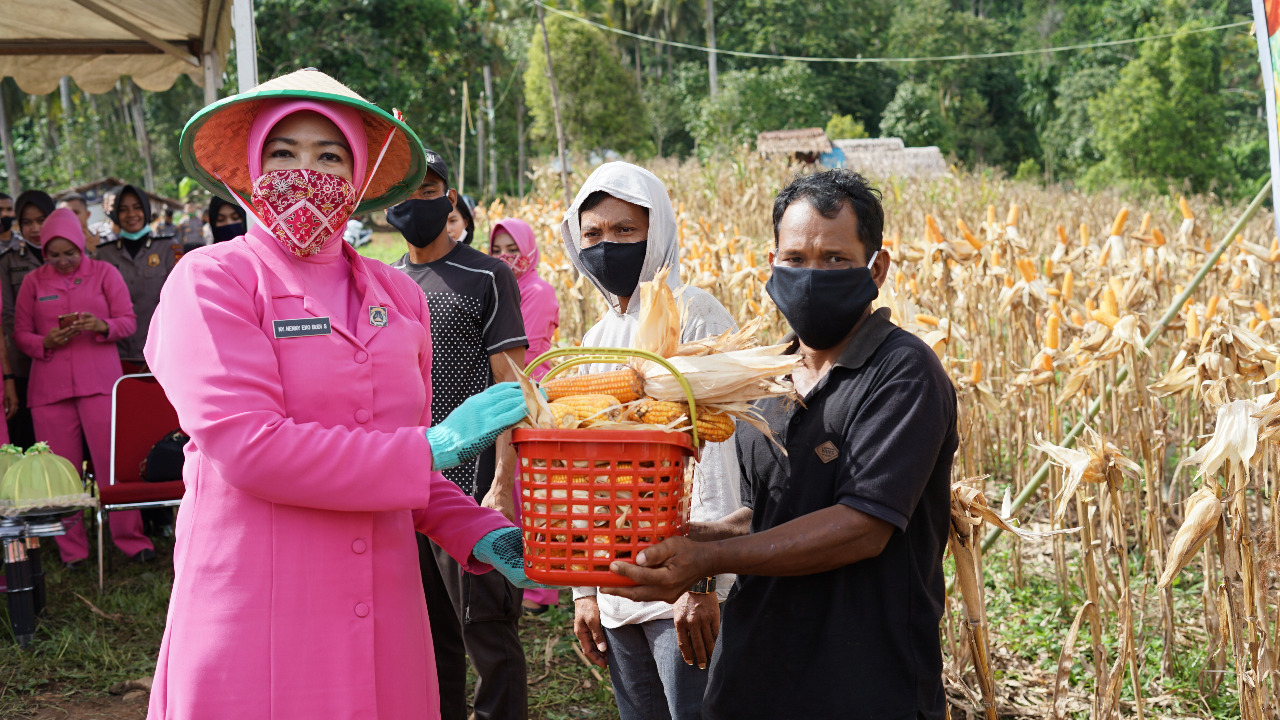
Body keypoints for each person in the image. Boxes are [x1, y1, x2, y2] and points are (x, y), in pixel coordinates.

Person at [145, 68, 542, 720]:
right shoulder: (212, 281)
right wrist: (436, 445)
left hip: (384, 612)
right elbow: (248, 447)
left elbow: (412, 467)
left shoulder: (400, 296)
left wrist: (479, 530)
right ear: (250, 167)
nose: (307, 172)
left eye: (329, 156)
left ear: (359, 177)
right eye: (283, 153)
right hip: (256, 614)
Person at [607, 170, 959, 720]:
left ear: (878, 269)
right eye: (795, 259)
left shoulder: (904, 373)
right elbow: (771, 513)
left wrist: (709, 555)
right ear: (770, 264)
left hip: (865, 686)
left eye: (835, 259)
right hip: (753, 677)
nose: (811, 275)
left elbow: (862, 526)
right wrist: (690, 536)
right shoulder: (765, 378)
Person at [563, 162, 740, 720]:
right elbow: (582, 473)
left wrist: (703, 577)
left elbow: (716, 455)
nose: (606, 245)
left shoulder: (694, 313)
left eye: (624, 232)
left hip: (678, 586)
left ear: (656, 231)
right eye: (592, 234)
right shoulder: (594, 338)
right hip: (617, 583)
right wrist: (585, 590)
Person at [385, 149, 530, 720]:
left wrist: (502, 484)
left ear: (450, 199)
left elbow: (513, 389)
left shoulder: (486, 275)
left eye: (430, 190)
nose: (418, 202)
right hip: (403, 483)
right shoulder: (385, 282)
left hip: (469, 490)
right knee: (424, 633)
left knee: (487, 633)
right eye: (405, 191)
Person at [13, 208, 156, 567]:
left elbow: (128, 322)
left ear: (81, 245)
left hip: (100, 386)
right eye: (54, 255)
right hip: (50, 391)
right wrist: (45, 341)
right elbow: (20, 335)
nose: (62, 261)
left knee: (114, 467)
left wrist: (103, 325)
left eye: (70, 253)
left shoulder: (105, 273)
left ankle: (130, 539)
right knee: (62, 473)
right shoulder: (33, 282)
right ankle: (72, 550)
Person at [487, 217, 560, 614]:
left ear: (528, 251)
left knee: (532, 490)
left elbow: (521, 355)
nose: (504, 258)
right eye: (496, 251)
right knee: (512, 488)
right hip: (508, 393)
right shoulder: (503, 289)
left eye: (511, 250)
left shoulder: (537, 291)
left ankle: (541, 589)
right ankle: (517, 566)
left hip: (531, 397)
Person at [94, 184, 182, 366]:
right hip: (117, 351)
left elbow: (178, 299)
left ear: (147, 211)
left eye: (137, 208)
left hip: (159, 348)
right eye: (123, 210)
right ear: (115, 215)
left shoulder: (168, 247)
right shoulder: (104, 253)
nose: (131, 215)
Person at [2, 190, 54, 448]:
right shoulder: (9, 261)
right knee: (26, 438)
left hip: (63, 357)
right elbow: (8, 315)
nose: (35, 228)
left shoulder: (68, 255)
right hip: (24, 364)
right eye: (27, 222)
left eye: (42, 219)